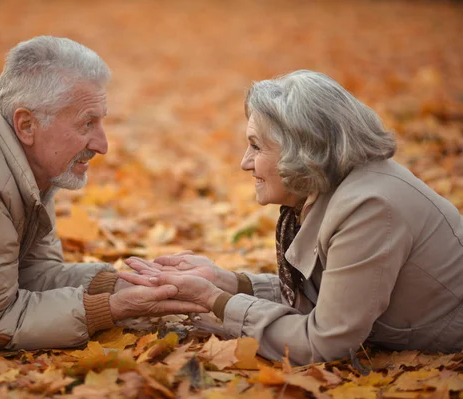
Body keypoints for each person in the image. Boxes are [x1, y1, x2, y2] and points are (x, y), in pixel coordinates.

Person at [0, 36, 206, 351]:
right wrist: (113, 309)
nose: (102, 145)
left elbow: (31, 275)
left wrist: (121, 284)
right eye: (87, 124)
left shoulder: (29, 163)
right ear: (26, 124)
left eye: (101, 122)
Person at [122, 70, 463, 365]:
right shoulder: (337, 189)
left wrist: (213, 301)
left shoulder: (369, 207)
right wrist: (228, 283)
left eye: (256, 146)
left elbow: (324, 341)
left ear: (305, 150)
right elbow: (324, 296)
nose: (244, 163)